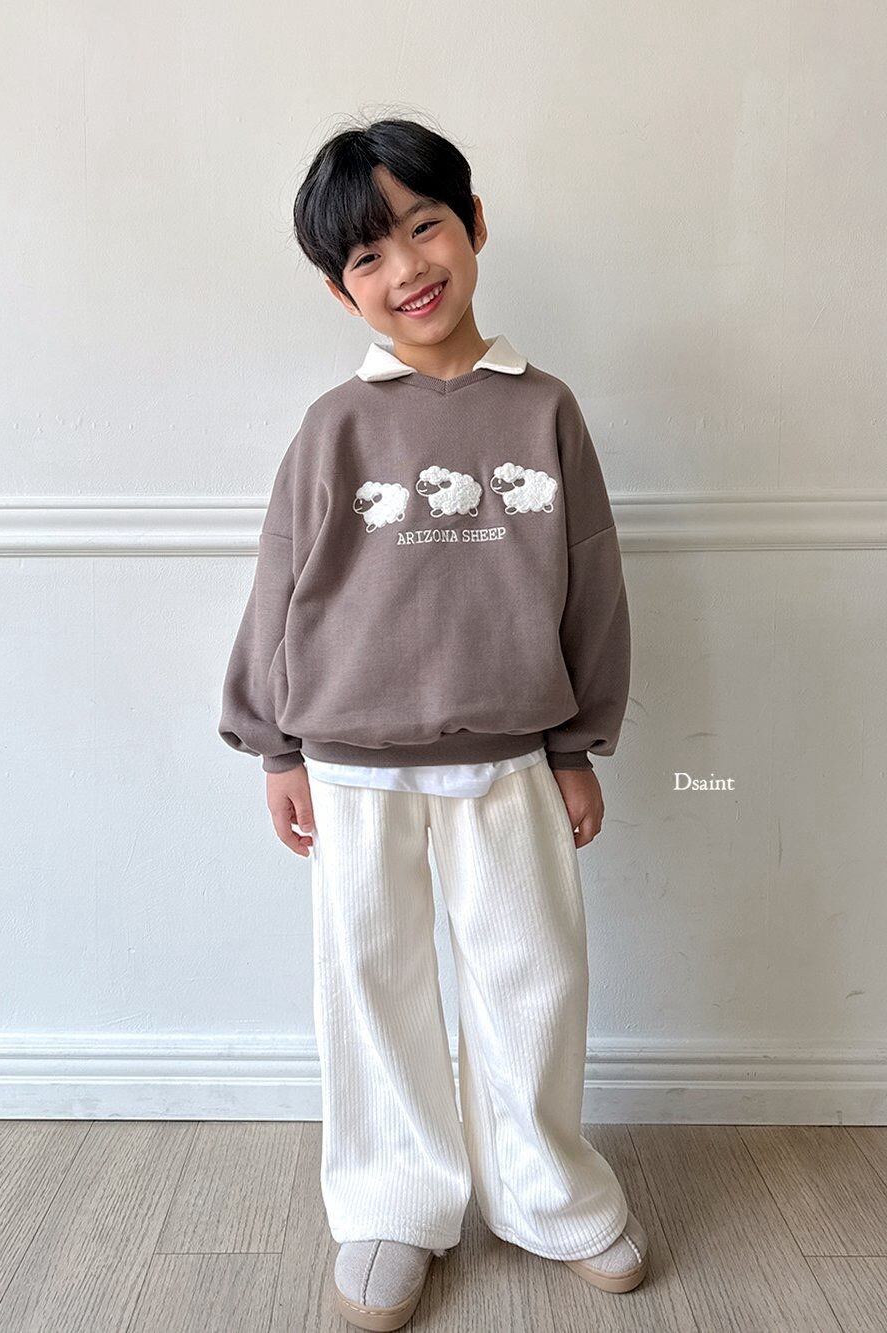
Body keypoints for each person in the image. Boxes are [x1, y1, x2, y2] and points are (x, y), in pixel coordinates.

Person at [219, 116, 648, 1331]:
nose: (406, 267)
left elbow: (592, 582)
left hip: (511, 758)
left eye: (425, 227)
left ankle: (549, 1193)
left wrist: (576, 744)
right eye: (367, 255)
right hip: (351, 766)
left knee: (533, 978)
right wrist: (275, 744)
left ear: (473, 226)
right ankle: (391, 1206)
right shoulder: (335, 425)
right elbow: (280, 580)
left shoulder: (545, 409)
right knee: (373, 982)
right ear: (337, 287)